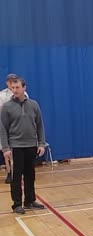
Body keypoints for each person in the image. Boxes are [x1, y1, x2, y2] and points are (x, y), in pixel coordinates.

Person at [0, 77, 46, 214]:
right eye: (12, 88)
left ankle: (30, 201)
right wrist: (6, 148)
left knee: (30, 175)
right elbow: (3, 128)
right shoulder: (7, 107)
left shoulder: (34, 105)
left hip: (31, 145)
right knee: (16, 176)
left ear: (24, 88)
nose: (15, 90)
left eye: (17, 87)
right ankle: (17, 204)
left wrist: (41, 143)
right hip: (16, 147)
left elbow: (40, 126)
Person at [0, 74, 29, 184]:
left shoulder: (23, 93)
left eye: (14, 81)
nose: (12, 84)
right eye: (10, 82)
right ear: (7, 83)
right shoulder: (2, 95)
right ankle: (9, 172)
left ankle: (20, 172)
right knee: (7, 150)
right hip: (6, 124)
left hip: (20, 125)